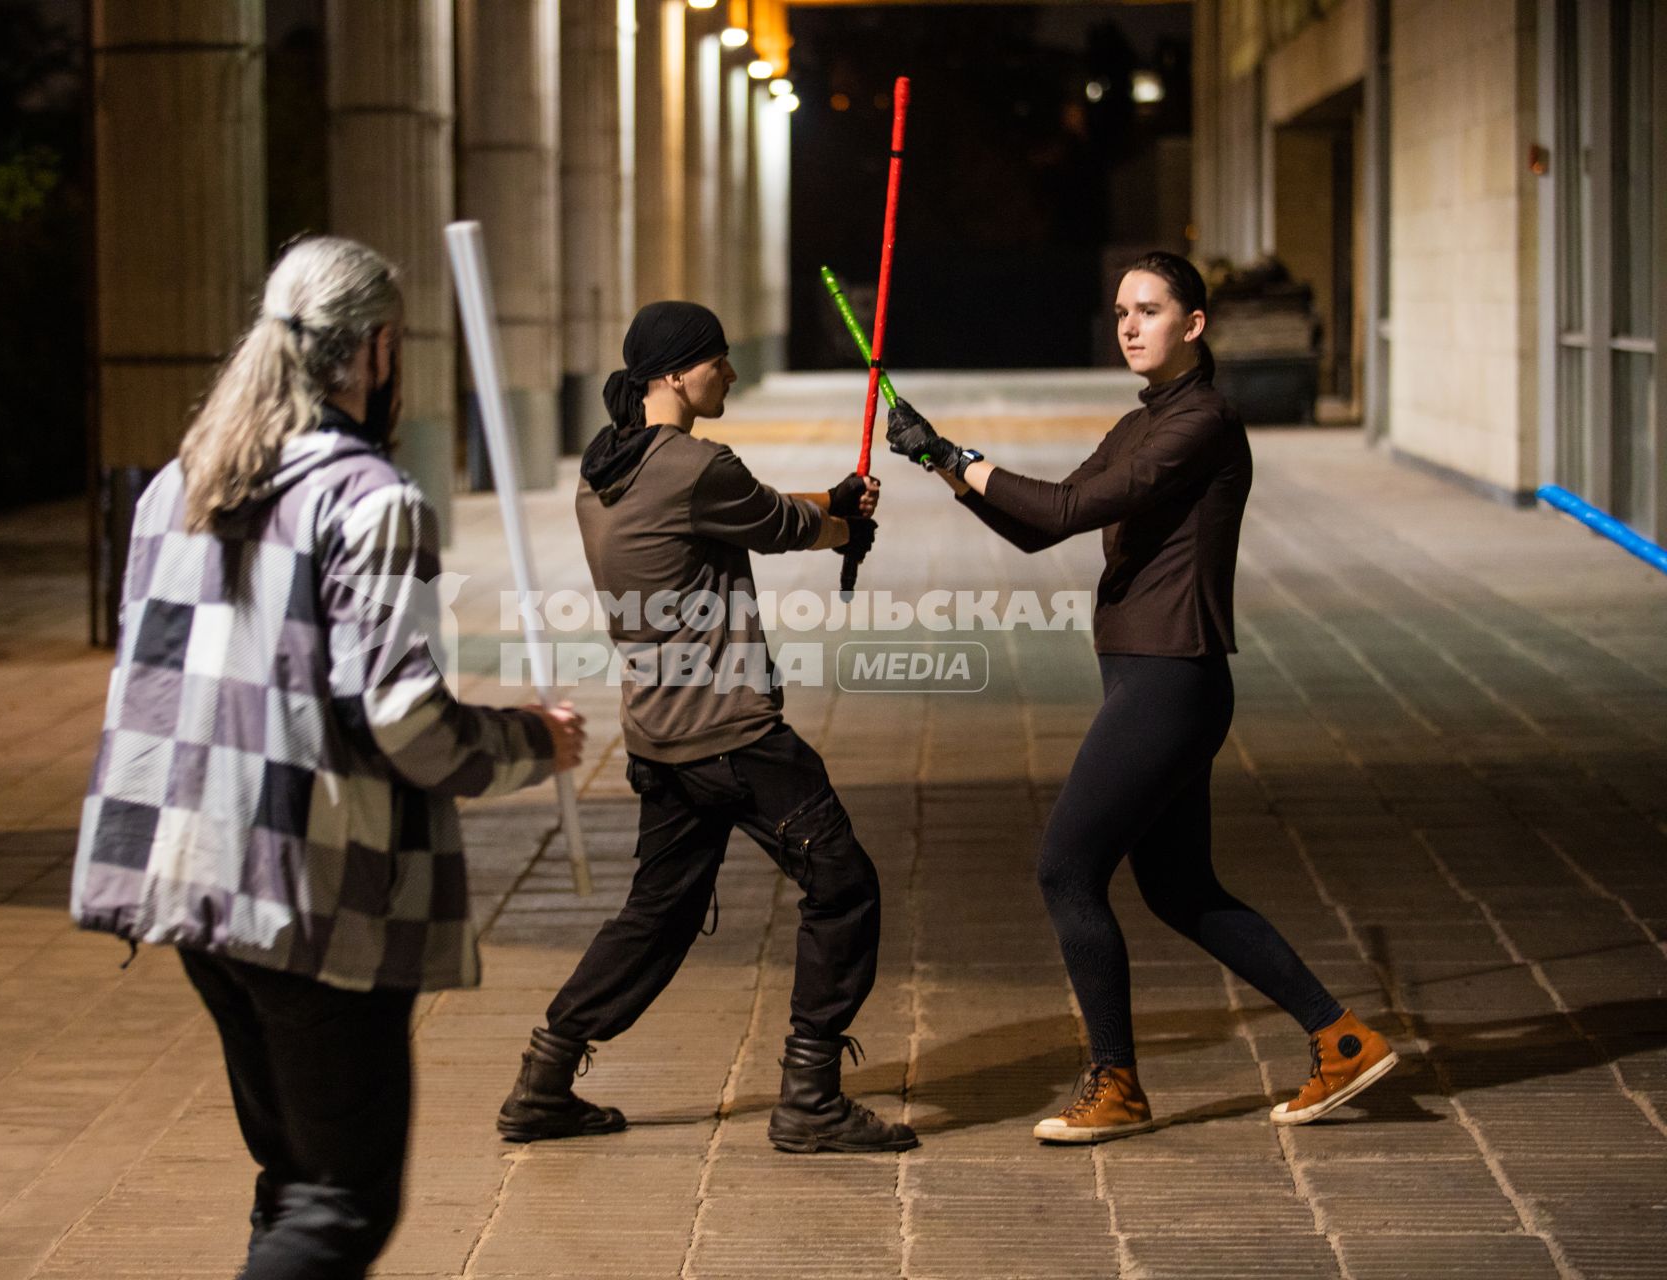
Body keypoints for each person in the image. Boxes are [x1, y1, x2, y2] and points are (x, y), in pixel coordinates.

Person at [70, 236, 584, 1277]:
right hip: (306, 887)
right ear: (379, 349)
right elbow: (404, 720)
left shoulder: (180, 486)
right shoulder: (371, 500)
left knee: (295, 1177)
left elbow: (155, 670)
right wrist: (536, 739)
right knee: (342, 1198)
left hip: (185, 867)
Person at [884, 252, 1398, 1143]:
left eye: (1149, 310)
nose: (1128, 325)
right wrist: (941, 464)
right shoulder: (1144, 422)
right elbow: (1045, 523)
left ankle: (1115, 1082)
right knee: (1181, 890)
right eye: (1121, 310)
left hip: (1170, 680)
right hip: (1149, 675)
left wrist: (955, 454)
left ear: (1193, 325)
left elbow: (1066, 511)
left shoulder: (1200, 423)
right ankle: (1341, 1038)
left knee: (1066, 869)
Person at [494, 300, 916, 1155]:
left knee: (657, 916)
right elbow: (776, 522)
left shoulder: (603, 469)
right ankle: (810, 1096)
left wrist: (829, 503)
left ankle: (544, 1078)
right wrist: (843, 520)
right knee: (844, 888)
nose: (727, 373)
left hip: (660, 735)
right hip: (736, 733)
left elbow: (740, 509)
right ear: (676, 373)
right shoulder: (698, 463)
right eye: (716, 360)